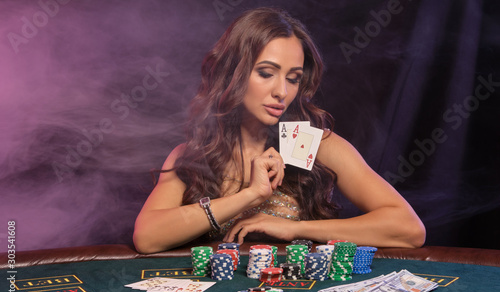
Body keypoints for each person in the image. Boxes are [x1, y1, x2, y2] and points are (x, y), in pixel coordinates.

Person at [133, 7, 426, 254]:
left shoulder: (311, 144)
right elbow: (147, 238)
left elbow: (408, 229)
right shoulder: (196, 154)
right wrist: (250, 195)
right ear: (233, 72)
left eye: (294, 78)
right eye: (266, 73)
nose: (282, 92)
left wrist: (294, 229)